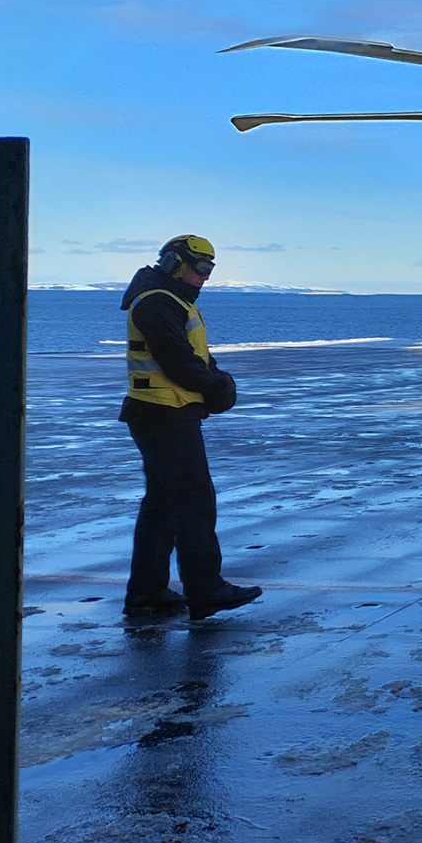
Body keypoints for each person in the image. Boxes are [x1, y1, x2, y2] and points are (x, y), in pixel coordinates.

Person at [118, 235, 261, 620]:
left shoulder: (171, 302)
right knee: (194, 500)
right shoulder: (156, 303)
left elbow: (195, 357)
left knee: (162, 503)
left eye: (210, 270)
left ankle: (147, 592)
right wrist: (216, 387)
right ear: (172, 263)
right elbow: (179, 362)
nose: (206, 278)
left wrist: (216, 380)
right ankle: (205, 589)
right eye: (201, 269)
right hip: (164, 414)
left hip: (163, 413)